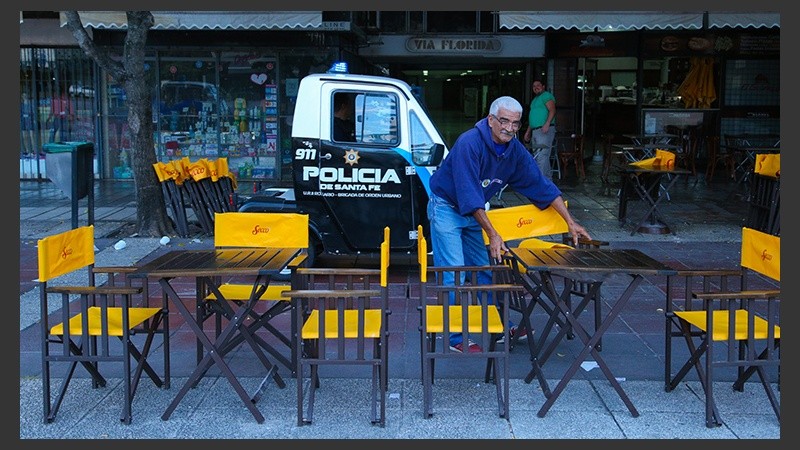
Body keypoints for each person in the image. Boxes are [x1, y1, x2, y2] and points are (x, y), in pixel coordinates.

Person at [427, 95, 591, 353]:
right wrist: (493, 234)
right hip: (447, 206)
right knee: (453, 271)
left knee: (485, 270)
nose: (510, 128)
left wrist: (570, 221)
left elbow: (541, 185)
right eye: (504, 121)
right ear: (491, 120)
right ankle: (454, 336)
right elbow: (469, 195)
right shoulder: (469, 143)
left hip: (473, 210)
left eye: (515, 123)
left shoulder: (514, 150)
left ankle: (498, 326)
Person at [523, 78, 557, 180]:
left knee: (542, 155)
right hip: (535, 130)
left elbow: (552, 110)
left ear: (543, 86)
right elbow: (533, 117)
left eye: (538, 85)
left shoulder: (546, 96)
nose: (536, 87)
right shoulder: (534, 100)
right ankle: (547, 181)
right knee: (538, 156)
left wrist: (547, 123)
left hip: (544, 130)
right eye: (534, 86)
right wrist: (528, 132)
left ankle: (540, 182)